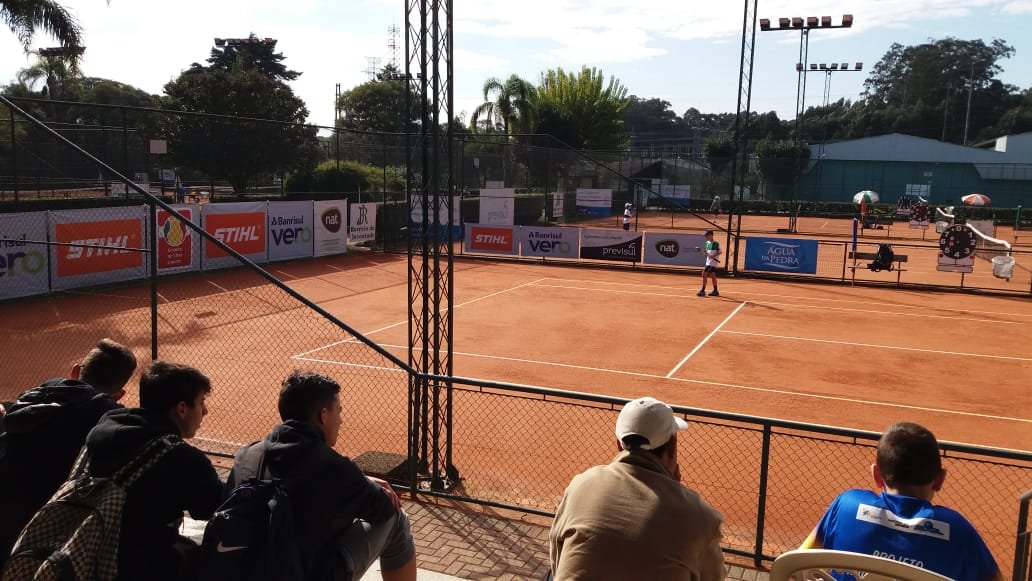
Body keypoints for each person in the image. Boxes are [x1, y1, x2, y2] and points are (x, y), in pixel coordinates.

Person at [225, 371, 417, 581]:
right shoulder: (331, 466)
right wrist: (361, 484)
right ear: (323, 415)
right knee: (396, 517)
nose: (341, 420)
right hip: (303, 573)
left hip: (241, 569)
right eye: (339, 411)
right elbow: (383, 508)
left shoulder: (247, 455)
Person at [550, 397, 725, 581]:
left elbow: (557, 559)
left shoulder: (581, 485)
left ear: (619, 444)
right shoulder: (699, 517)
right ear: (672, 447)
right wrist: (678, 495)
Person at [800, 422, 1003, 581]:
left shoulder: (846, 506)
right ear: (939, 480)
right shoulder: (957, 530)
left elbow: (799, 561)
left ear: (877, 475)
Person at [0, 338, 138, 566]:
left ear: (75, 371)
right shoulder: (111, 420)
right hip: (45, 525)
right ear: (120, 394)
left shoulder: (39, 393)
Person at [83, 360, 223, 581]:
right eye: (201, 402)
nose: (205, 411)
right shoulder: (180, 456)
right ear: (182, 409)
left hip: (86, 551)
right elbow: (211, 508)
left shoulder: (102, 429)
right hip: (135, 565)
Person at [697, 229, 721, 297]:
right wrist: (701, 251)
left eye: (707, 235)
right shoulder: (707, 243)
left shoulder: (716, 243)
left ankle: (702, 291)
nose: (706, 237)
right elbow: (706, 253)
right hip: (708, 262)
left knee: (704, 274)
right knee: (712, 275)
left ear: (711, 235)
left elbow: (720, 252)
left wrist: (713, 256)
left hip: (713, 262)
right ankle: (715, 291)